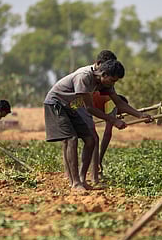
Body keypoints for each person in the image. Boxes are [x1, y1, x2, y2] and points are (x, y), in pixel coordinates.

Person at [44, 57, 152, 191]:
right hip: (57, 103)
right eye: (112, 80)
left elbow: (119, 103)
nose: (113, 83)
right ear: (104, 74)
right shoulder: (84, 77)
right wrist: (113, 120)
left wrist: (140, 115)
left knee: (90, 140)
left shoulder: (105, 83)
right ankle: (75, 183)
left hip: (72, 106)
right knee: (71, 139)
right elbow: (89, 108)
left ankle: (83, 180)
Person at [77, 92, 129, 184]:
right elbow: (107, 134)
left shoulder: (106, 99)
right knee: (94, 139)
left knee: (73, 140)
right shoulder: (112, 104)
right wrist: (99, 159)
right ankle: (94, 178)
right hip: (79, 107)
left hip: (73, 104)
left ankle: (74, 175)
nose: (118, 113)